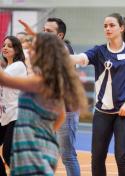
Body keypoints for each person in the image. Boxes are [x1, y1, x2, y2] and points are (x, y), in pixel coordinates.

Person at [71, 12, 125, 176]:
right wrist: (55, 53)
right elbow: (78, 58)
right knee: (97, 157)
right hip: (102, 114)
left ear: (122, 27)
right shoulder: (99, 51)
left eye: (111, 25)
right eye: (105, 26)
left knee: (122, 157)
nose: (108, 28)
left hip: (124, 113)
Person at [7, 32, 87, 175]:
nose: (28, 51)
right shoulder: (49, 81)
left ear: (43, 54)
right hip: (40, 147)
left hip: (34, 150)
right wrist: (45, 131)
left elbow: (4, 80)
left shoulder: (38, 82)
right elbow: (61, 115)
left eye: (32, 48)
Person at [0, 36, 27, 176]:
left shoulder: (19, 66)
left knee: (8, 153)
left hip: (16, 116)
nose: (5, 47)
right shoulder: (8, 67)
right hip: (5, 116)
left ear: (17, 49)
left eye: (9, 46)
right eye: (4, 45)